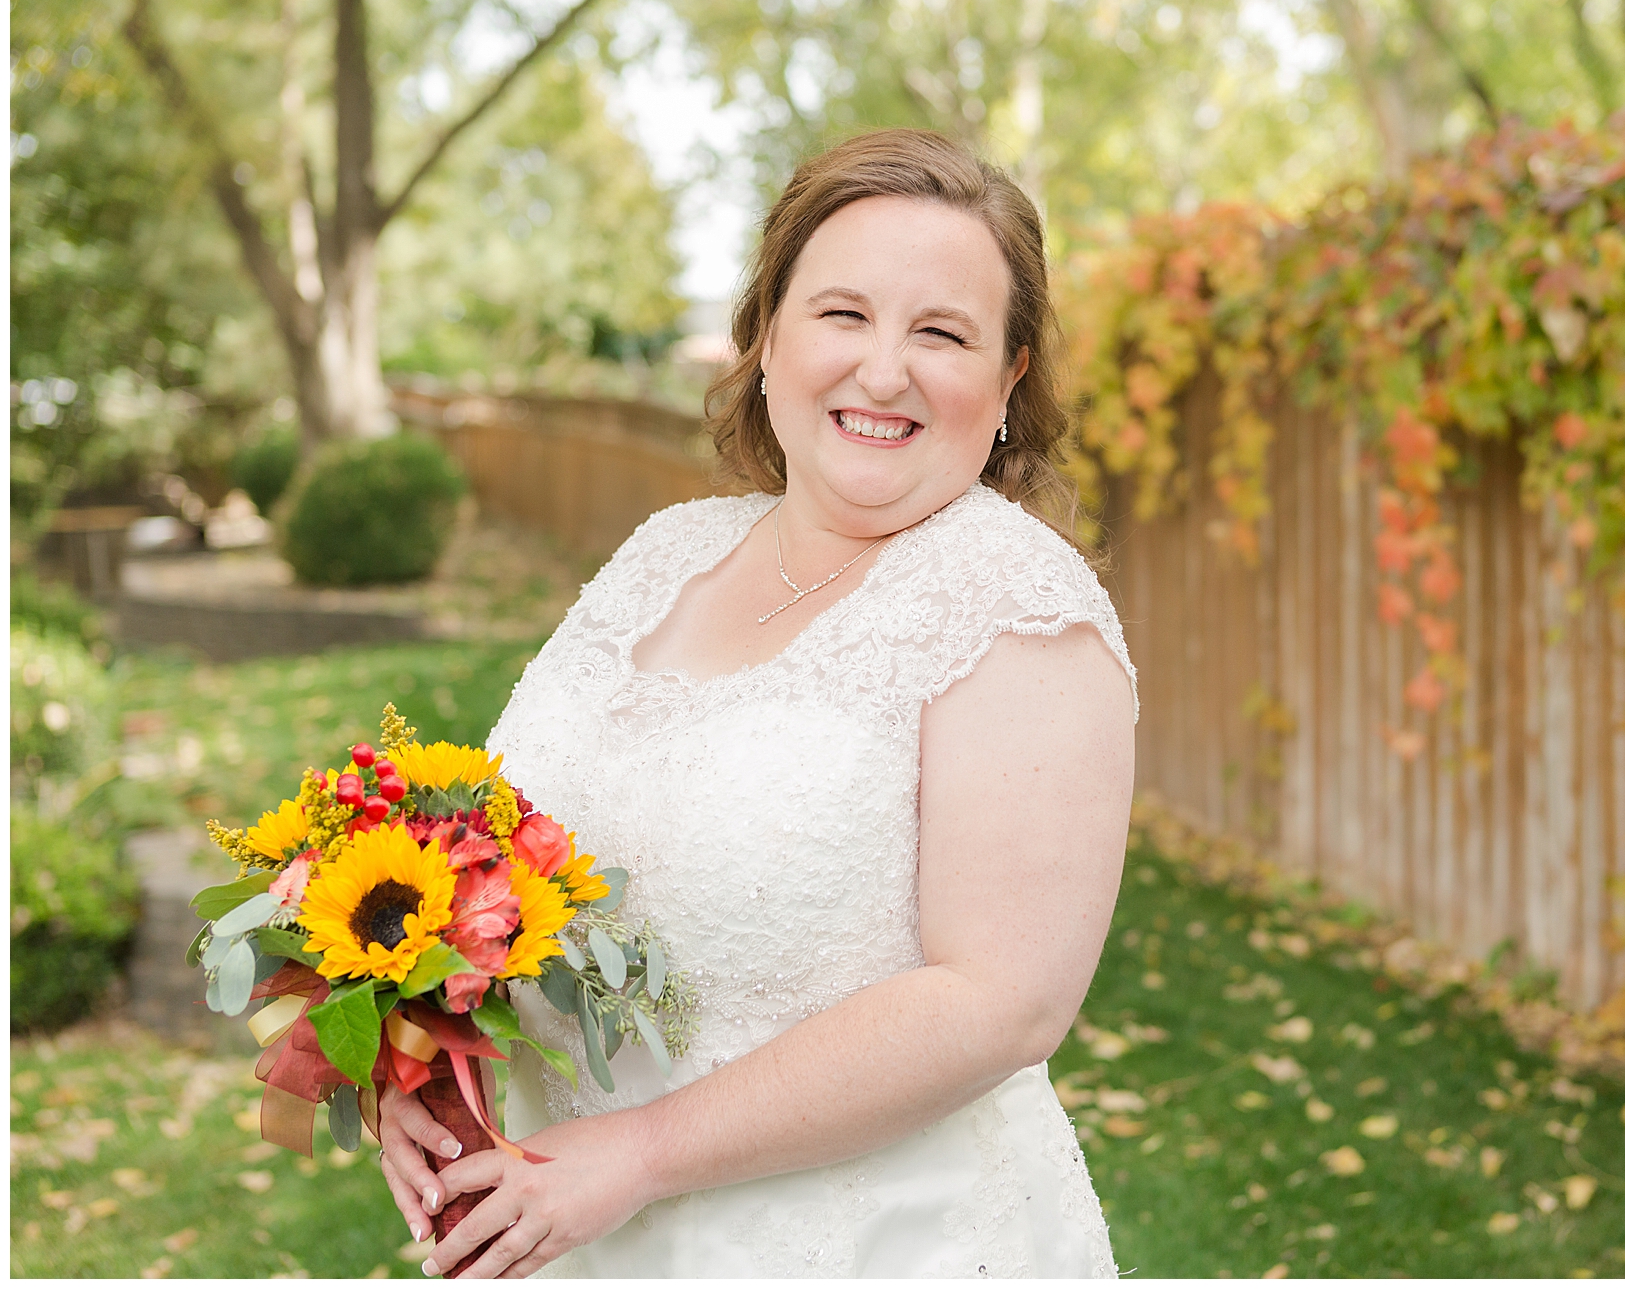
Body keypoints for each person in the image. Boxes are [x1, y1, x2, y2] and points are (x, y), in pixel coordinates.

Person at [373, 128, 1138, 1278]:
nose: (884, 369)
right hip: (558, 1227)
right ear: (768, 336)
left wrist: (636, 1153)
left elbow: (1000, 1000)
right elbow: (501, 857)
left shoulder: (1014, 603)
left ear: (1009, 376)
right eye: (843, 314)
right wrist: (422, 1058)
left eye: (942, 332)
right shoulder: (664, 553)